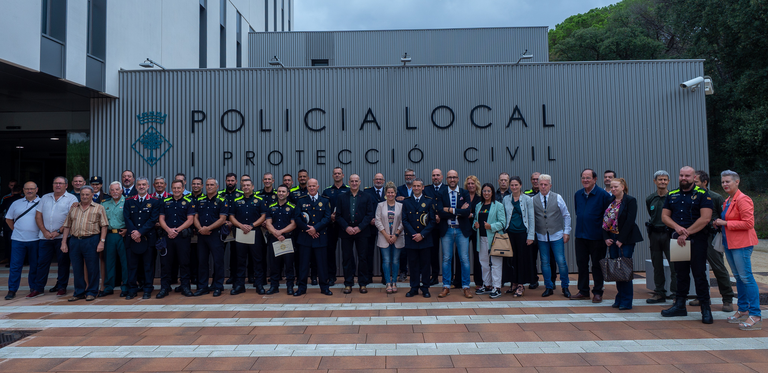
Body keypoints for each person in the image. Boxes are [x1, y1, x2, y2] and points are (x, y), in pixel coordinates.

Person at [660, 166, 714, 324]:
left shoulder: (703, 194)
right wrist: (677, 228)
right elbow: (664, 216)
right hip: (678, 241)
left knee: (699, 275)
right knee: (680, 274)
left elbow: (705, 219)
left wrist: (687, 232)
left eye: (687, 176)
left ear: (694, 177)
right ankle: (680, 306)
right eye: (681, 175)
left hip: (697, 240)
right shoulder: (672, 195)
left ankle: (705, 308)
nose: (684, 178)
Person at [715, 170, 761, 330]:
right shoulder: (728, 200)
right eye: (723, 182)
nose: (725, 184)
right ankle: (743, 310)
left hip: (742, 244)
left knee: (746, 277)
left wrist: (725, 224)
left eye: (728, 181)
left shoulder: (743, 199)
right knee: (739, 278)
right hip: (730, 244)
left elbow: (749, 223)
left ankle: (755, 315)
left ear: (737, 182)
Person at [690, 170, 735, 312]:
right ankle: (703, 297)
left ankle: (727, 298)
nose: (693, 184)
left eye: (695, 182)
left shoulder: (716, 197)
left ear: (704, 182)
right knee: (698, 269)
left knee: (718, 268)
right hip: (695, 236)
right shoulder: (691, 196)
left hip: (711, 237)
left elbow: (725, 216)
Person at [59, 186, 108, 302]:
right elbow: (67, 226)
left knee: (92, 268)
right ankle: (79, 292)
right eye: (82, 194)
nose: (85, 197)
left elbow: (104, 226)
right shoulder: (74, 208)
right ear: (79, 195)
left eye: (87, 194)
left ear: (92, 195)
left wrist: (102, 242)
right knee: (77, 268)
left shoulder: (99, 208)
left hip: (91, 240)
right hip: (75, 240)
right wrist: (64, 242)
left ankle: (91, 292)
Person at [602, 178, 643, 310]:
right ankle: (619, 297)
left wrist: (621, 239)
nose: (613, 189)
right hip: (612, 239)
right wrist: (606, 237)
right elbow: (604, 220)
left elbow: (630, 221)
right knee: (616, 270)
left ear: (623, 187)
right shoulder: (609, 201)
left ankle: (626, 300)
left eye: (616, 187)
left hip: (626, 239)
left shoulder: (630, 200)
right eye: (611, 187)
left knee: (624, 269)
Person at [572, 169, 612, 303]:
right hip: (581, 236)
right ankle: (583, 291)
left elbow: (608, 217)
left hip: (597, 237)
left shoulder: (603, 195)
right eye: (583, 178)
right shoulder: (578, 194)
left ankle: (597, 292)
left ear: (595, 179)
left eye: (588, 178)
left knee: (597, 265)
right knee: (581, 265)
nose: (585, 180)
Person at [34, 176, 78, 297]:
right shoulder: (45, 197)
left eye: (60, 183)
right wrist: (44, 231)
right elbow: (38, 216)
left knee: (63, 263)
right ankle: (38, 288)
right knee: (42, 263)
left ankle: (61, 286)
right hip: (45, 237)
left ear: (66, 185)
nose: (58, 185)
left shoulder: (71, 198)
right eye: (55, 183)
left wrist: (58, 231)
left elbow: (70, 217)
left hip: (62, 237)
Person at [532, 174, 572, 298]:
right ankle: (548, 287)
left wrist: (566, 232)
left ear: (550, 185)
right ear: (538, 185)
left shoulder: (557, 197)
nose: (543, 187)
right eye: (541, 184)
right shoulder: (533, 199)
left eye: (545, 184)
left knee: (561, 261)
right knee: (544, 262)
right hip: (541, 235)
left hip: (557, 234)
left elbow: (566, 215)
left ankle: (565, 286)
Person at [436, 170, 473, 299]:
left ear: (458, 178)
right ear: (446, 179)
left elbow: (467, 211)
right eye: (450, 177)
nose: (452, 179)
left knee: (464, 259)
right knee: (446, 259)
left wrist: (450, 209)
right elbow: (440, 212)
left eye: (454, 177)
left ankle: (466, 287)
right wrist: (458, 210)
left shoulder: (464, 192)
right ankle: (446, 286)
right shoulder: (441, 193)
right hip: (447, 230)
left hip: (461, 230)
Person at [336, 174, 376, 294]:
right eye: (352, 181)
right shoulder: (341, 197)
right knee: (347, 258)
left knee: (363, 258)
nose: (354, 183)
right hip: (346, 232)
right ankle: (348, 283)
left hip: (362, 232)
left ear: (359, 182)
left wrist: (360, 227)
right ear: (349, 182)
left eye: (356, 181)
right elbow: (338, 215)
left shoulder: (367, 196)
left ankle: (363, 283)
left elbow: (370, 214)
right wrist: (346, 227)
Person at [294, 178, 333, 296]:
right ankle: (301, 288)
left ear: (318, 187)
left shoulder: (325, 201)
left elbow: (327, 218)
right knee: (303, 265)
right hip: (305, 237)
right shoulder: (301, 201)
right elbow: (297, 218)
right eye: (309, 186)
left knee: (322, 265)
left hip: (320, 237)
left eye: (313, 186)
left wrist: (315, 229)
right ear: (307, 187)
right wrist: (308, 229)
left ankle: (324, 287)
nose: (311, 188)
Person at [123, 177, 161, 300]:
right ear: (136, 186)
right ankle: (132, 289)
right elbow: (127, 218)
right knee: (132, 265)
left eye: (144, 184)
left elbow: (152, 219)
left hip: (148, 238)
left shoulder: (154, 201)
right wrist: (134, 233)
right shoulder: (129, 201)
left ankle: (148, 289)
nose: (141, 187)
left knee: (148, 265)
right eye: (139, 185)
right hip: (132, 238)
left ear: (148, 186)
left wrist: (139, 232)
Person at [228, 178, 267, 295]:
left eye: (248, 185)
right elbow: (231, 216)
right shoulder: (236, 201)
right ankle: (240, 285)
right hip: (240, 232)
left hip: (255, 232)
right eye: (244, 185)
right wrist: (241, 225)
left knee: (257, 260)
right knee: (240, 260)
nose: (246, 187)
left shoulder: (259, 200)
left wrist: (251, 225)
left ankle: (259, 284)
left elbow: (263, 216)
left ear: (252, 187)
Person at [4, 182, 41, 300]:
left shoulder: (42, 203)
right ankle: (12, 290)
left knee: (35, 265)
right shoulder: (16, 203)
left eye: (32, 189)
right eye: (27, 189)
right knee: (15, 266)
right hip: (18, 240)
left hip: (36, 239)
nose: (29, 191)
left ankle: (34, 288)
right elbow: (8, 219)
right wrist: (17, 230)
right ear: (23, 190)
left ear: (37, 190)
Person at [158, 180, 195, 298]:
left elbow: (190, 220)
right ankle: (165, 287)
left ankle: (185, 287)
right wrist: (169, 230)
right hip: (168, 237)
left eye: (179, 188)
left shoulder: (188, 201)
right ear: (171, 188)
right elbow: (161, 219)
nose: (176, 190)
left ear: (183, 188)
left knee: (184, 263)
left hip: (182, 237)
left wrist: (177, 230)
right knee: (166, 263)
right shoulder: (165, 201)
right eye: (174, 188)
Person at [193, 178, 229, 297]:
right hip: (202, 235)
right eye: (207, 185)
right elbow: (195, 217)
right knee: (202, 261)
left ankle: (218, 286)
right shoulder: (200, 200)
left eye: (212, 185)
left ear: (217, 187)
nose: (209, 187)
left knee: (218, 261)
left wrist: (208, 228)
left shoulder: (222, 200)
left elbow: (222, 219)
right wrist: (201, 229)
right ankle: (203, 286)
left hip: (215, 235)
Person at [645, 170, 676, 304]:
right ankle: (659, 292)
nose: (662, 182)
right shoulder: (650, 198)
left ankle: (676, 293)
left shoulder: (674, 198)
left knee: (674, 265)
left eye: (665, 179)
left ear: (668, 181)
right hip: (655, 235)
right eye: (660, 179)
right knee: (656, 265)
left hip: (669, 234)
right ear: (655, 181)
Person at [502, 176, 535, 297]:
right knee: (511, 260)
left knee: (522, 259)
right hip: (510, 233)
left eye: (516, 185)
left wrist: (530, 236)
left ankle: (521, 284)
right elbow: (504, 215)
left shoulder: (527, 199)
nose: (514, 187)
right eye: (512, 185)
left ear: (520, 185)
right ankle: (514, 283)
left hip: (522, 233)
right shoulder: (506, 199)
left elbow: (531, 218)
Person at [402, 178, 435, 298]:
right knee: (413, 265)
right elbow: (404, 220)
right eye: (414, 186)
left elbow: (432, 221)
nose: (416, 188)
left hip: (425, 239)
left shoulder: (429, 201)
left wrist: (422, 234)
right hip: (411, 239)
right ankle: (414, 288)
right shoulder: (406, 202)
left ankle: (425, 288)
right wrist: (414, 235)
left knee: (426, 265)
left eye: (418, 186)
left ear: (422, 187)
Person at [473, 183, 506, 298]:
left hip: (494, 238)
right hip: (481, 238)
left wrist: (491, 226)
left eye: (488, 191)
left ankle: (497, 287)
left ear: (492, 193)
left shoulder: (498, 206)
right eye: (484, 191)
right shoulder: (479, 205)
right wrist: (475, 225)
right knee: (484, 262)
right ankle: (487, 285)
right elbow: (475, 220)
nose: (486, 193)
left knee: (496, 263)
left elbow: (502, 223)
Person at [264, 184, 299, 295]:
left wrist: (281, 232)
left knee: (289, 265)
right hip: (274, 239)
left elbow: (293, 224)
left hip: (287, 239)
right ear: (277, 193)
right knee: (274, 265)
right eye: (279, 191)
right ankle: (274, 286)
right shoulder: (271, 207)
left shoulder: (293, 207)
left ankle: (290, 286)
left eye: (283, 192)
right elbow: (268, 223)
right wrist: (276, 233)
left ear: (287, 194)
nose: (281, 193)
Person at [524, 171, 554, 290]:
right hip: (531, 231)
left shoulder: (550, 195)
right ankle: (533, 280)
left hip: (545, 231)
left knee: (549, 257)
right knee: (531, 257)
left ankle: (551, 280)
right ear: (531, 180)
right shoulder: (526, 193)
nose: (536, 181)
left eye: (538, 179)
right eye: (534, 179)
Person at [374, 181, 404, 294]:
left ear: (395, 193)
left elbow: (403, 221)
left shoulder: (401, 206)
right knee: (386, 261)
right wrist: (386, 235)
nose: (390, 194)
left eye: (392, 192)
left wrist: (396, 234)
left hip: (398, 237)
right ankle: (388, 282)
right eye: (388, 192)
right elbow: (377, 220)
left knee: (395, 261)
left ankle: (394, 282)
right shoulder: (380, 205)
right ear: (385, 194)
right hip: (384, 236)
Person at [100, 181, 128, 297]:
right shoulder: (104, 204)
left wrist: (128, 229)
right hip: (110, 235)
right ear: (109, 191)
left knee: (125, 262)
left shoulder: (128, 202)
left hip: (123, 235)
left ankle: (126, 286)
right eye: (112, 190)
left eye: (117, 189)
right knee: (109, 262)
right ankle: (108, 287)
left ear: (121, 190)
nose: (114, 192)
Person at [321, 167, 348, 285]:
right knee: (330, 251)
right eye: (335, 173)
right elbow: (322, 207)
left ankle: (349, 277)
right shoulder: (327, 191)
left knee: (347, 252)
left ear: (343, 175)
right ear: (332, 176)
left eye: (339, 173)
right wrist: (330, 217)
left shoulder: (348, 189)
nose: (337, 175)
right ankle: (331, 277)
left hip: (345, 225)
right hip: (331, 225)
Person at [423, 169, 446, 286]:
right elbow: (424, 207)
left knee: (447, 253)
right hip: (432, 226)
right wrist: (434, 216)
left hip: (445, 224)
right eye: (433, 175)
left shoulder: (447, 188)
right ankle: (435, 276)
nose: (435, 177)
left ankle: (449, 277)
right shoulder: (426, 189)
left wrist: (440, 215)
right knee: (433, 252)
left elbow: (449, 205)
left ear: (442, 177)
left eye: (438, 175)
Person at [364, 173, 387, 285]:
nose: (378, 181)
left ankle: (385, 276)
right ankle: (368, 276)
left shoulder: (388, 192)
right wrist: (370, 219)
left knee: (384, 253)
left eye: (380, 179)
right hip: (370, 226)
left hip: (384, 227)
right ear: (373, 180)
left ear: (383, 180)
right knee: (369, 252)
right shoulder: (367, 192)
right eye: (376, 179)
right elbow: (364, 208)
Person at [395, 168, 416, 282]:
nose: (408, 177)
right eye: (406, 175)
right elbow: (397, 202)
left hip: (416, 223)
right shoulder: (399, 189)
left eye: (410, 175)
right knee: (403, 251)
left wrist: (405, 199)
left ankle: (417, 273)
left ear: (414, 176)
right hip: (402, 223)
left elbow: (417, 201)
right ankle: (403, 272)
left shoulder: (418, 188)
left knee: (416, 250)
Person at [464, 175, 483, 290]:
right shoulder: (463, 196)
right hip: (464, 228)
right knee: (461, 255)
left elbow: (482, 212)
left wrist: (471, 215)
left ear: (476, 185)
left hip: (477, 229)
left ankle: (479, 281)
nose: (471, 185)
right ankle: (458, 281)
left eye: (473, 183)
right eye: (469, 183)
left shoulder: (480, 198)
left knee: (477, 255)